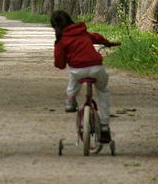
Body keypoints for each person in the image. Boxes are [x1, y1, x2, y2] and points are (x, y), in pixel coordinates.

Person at [50, 10, 121, 142]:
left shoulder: (61, 40)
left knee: (74, 76)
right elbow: (97, 38)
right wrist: (108, 43)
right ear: (70, 20)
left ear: (55, 27)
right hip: (96, 68)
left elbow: (59, 64)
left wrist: (64, 60)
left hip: (78, 70)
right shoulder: (82, 32)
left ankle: (71, 99)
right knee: (103, 91)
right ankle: (104, 126)